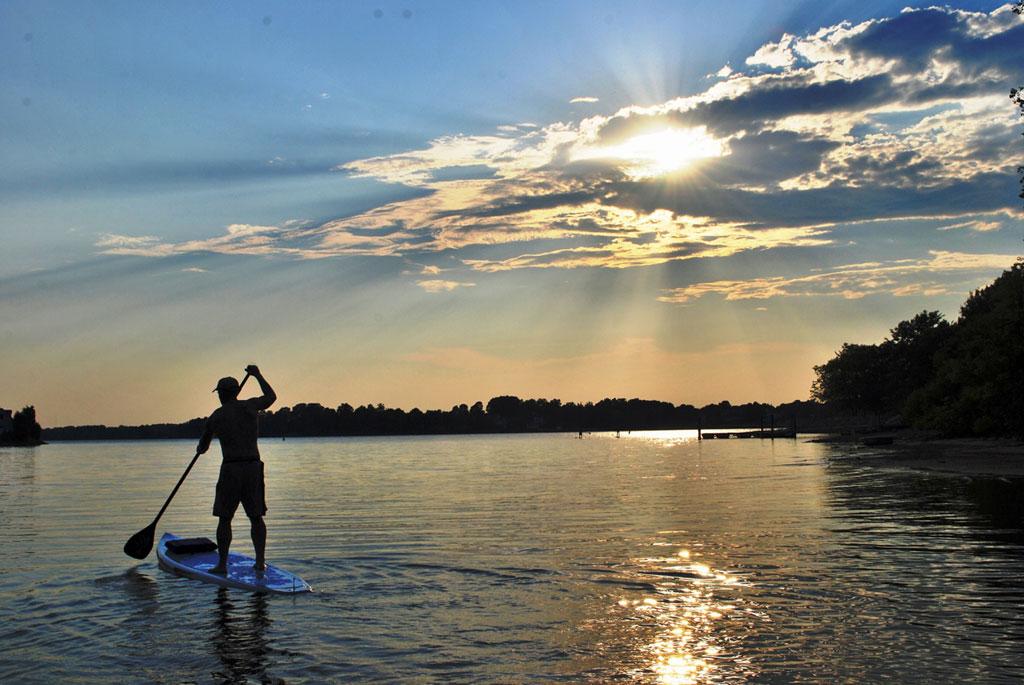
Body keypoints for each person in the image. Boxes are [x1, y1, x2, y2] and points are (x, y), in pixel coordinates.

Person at [197, 364, 277, 574]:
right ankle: (260, 562)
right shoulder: (250, 407)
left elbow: (203, 448)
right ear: (237, 392)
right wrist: (258, 375)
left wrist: (203, 441)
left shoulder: (217, 416)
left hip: (231, 469)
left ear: (222, 394)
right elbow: (271, 396)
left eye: (220, 393)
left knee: (225, 518)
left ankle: (222, 565)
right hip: (252, 467)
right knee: (256, 516)